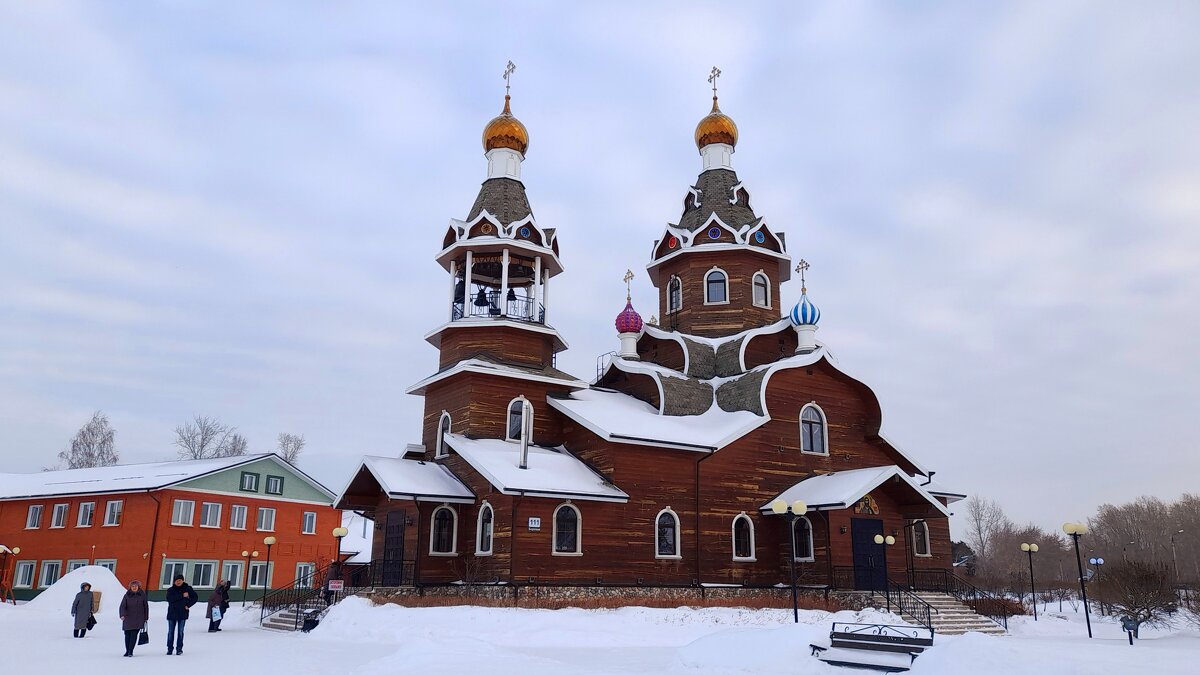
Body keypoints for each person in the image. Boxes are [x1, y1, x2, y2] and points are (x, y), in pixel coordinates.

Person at [164, 574, 197, 655]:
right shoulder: (170, 590)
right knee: (171, 632)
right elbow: (170, 599)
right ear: (174, 581)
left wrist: (188, 605)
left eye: (180, 580)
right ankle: (169, 648)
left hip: (182, 613)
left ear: (183, 580)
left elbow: (195, 597)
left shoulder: (188, 589)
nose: (178, 582)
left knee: (180, 631)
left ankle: (179, 649)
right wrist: (182, 595)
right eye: (176, 580)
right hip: (172, 613)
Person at [118, 580, 149, 657]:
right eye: (132, 586)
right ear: (130, 587)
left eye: (135, 586)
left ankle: (130, 651)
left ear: (138, 587)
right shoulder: (127, 595)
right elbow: (122, 606)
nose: (134, 587)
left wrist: (146, 617)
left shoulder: (142, 595)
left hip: (138, 618)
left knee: (134, 635)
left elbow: (146, 606)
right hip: (128, 618)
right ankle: (127, 650)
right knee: (127, 634)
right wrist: (122, 614)